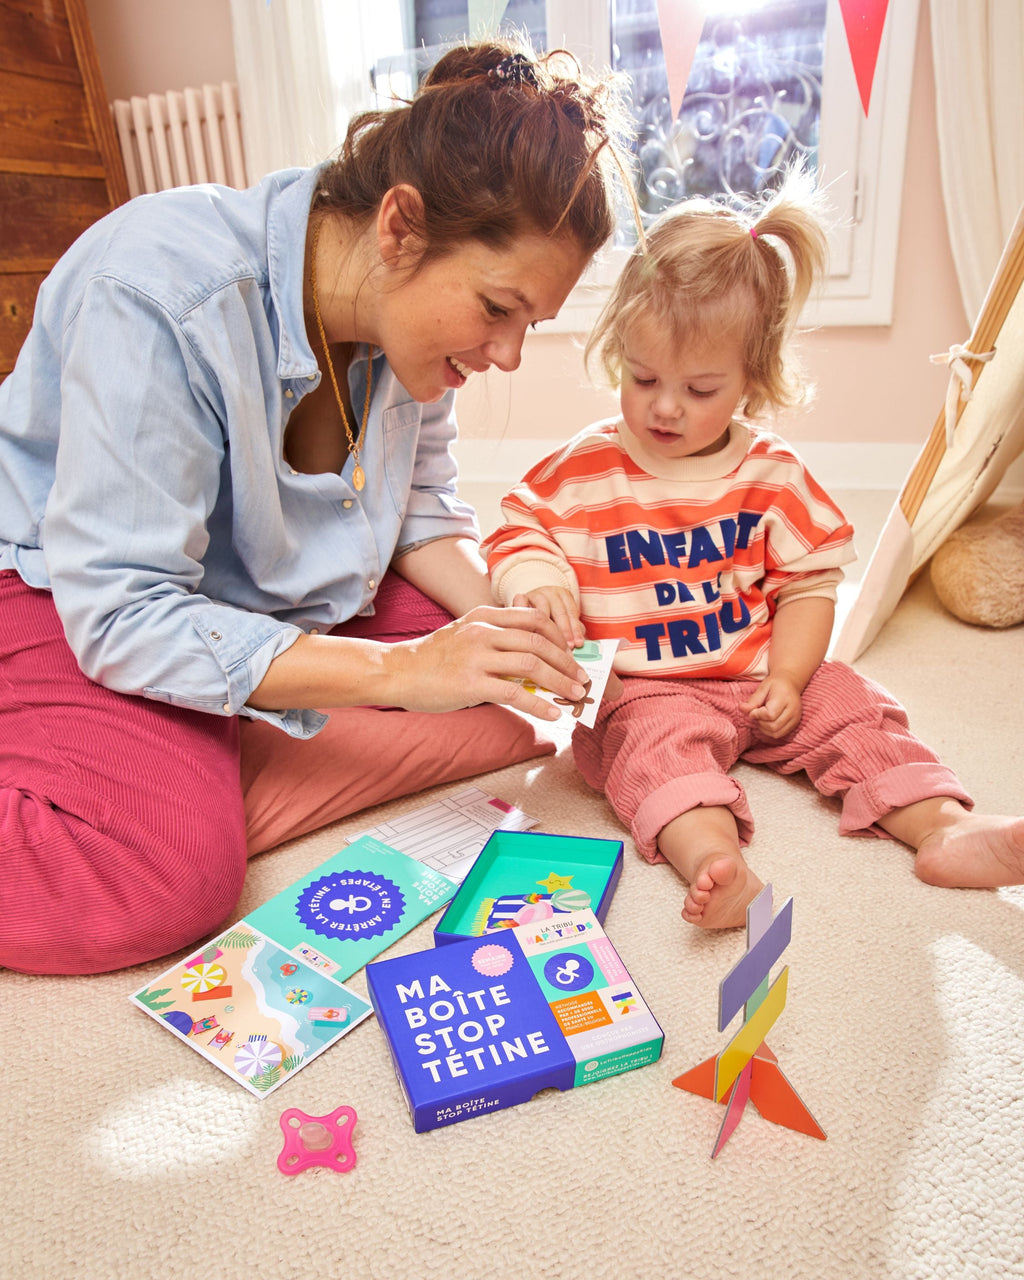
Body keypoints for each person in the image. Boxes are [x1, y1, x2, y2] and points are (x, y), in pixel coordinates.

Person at [0, 39, 635, 975]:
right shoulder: (160, 288)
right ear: (400, 226)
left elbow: (420, 511)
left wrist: (495, 615)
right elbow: (125, 610)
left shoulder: (409, 328)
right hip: (70, 594)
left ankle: (207, 739)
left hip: (254, 589)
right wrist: (404, 674)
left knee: (523, 703)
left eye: (528, 326)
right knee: (163, 875)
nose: (505, 354)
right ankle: (174, 770)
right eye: (498, 308)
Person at [484, 171, 1024, 930]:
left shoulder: (771, 473)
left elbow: (808, 585)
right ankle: (714, 862)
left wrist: (795, 676)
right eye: (642, 378)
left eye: (701, 389)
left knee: (854, 707)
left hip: (761, 676)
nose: (665, 405)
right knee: (654, 754)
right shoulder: (585, 467)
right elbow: (516, 524)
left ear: (751, 380)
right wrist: (537, 578)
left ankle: (940, 825)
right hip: (650, 688)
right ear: (618, 354)